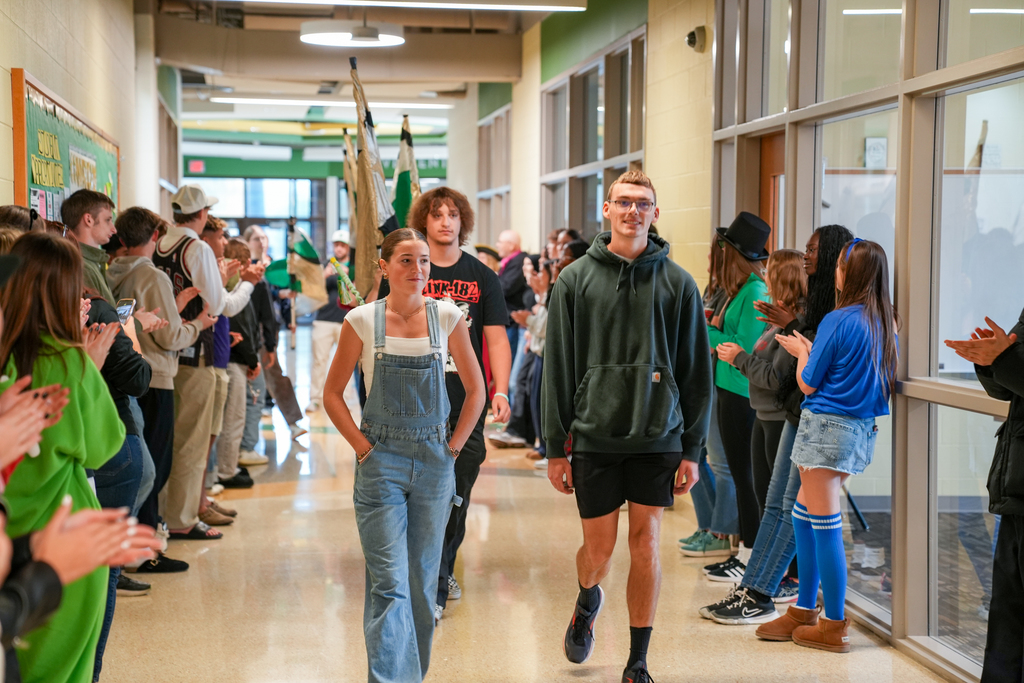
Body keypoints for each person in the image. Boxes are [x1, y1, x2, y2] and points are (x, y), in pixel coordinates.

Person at [542, 170, 712, 683]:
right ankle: (587, 596)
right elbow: (559, 367)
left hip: (658, 434)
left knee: (646, 542)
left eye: (643, 204)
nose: (633, 211)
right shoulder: (574, 280)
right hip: (595, 436)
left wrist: (693, 450)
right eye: (624, 202)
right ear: (607, 210)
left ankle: (638, 660)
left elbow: (694, 372)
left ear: (655, 214)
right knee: (598, 552)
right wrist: (555, 446)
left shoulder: (679, 283)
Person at [323, 228, 485, 683]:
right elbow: (332, 394)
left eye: (424, 261)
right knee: (388, 583)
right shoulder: (362, 321)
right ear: (385, 267)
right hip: (381, 465)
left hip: (435, 463)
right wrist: (363, 448)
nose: (418, 270)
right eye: (406, 261)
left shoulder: (448, 317)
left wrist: (451, 449)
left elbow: (476, 391)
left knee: (419, 583)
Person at [0, 232, 159, 683]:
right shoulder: (68, 361)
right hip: (62, 538)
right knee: (67, 669)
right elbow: (105, 445)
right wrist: (90, 362)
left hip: (10, 540)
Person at [701, 224, 855, 625]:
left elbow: (809, 375)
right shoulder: (818, 309)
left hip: (819, 423)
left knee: (795, 511)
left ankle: (773, 593)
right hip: (797, 417)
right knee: (776, 503)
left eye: (815, 250)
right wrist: (792, 326)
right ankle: (756, 589)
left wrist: (797, 335)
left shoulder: (843, 315)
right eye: (806, 249)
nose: (807, 255)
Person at [375, 187, 512, 617]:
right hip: (410, 397)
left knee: (456, 491)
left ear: (462, 222)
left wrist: (501, 389)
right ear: (424, 221)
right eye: (437, 215)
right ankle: (418, 572)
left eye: (453, 214)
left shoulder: (482, 276)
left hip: (464, 398)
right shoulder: (405, 270)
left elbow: (496, 336)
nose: (445, 222)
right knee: (414, 487)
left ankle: (440, 568)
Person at [772, 238, 898, 652]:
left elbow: (809, 382)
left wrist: (801, 351)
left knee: (825, 527)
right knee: (801, 517)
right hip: (857, 432)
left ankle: (833, 623)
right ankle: (804, 608)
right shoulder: (886, 322)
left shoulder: (838, 319)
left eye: (839, 266)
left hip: (825, 430)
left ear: (849, 273)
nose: (833, 272)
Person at [107, 206, 217, 573]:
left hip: (132, 375)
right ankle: (145, 548)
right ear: (155, 237)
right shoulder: (153, 275)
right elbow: (170, 336)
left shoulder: (113, 271)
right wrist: (199, 323)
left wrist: (178, 304)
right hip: (156, 375)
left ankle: (138, 545)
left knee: (143, 462)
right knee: (155, 465)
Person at [154, 184, 258, 541]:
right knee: (192, 443)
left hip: (167, 348)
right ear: (200, 216)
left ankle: (169, 512)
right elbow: (221, 306)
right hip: (196, 351)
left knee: (174, 439)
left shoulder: (160, 244)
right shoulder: (195, 248)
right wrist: (245, 285)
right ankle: (181, 518)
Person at [946, 309, 1021, 682]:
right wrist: (989, 362)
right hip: (1015, 484)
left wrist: (1004, 358)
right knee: (1007, 610)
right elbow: (1006, 388)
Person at [706, 212, 772, 574]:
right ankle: (745, 552)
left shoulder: (756, 290)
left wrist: (708, 334)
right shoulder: (742, 290)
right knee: (740, 472)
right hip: (728, 388)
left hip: (741, 392)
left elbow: (744, 346)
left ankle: (749, 555)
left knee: (745, 477)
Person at [679, 241, 739, 558]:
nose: (707, 260)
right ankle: (708, 526)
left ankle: (721, 531)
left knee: (720, 463)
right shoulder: (713, 288)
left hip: (727, 384)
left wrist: (707, 328)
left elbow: (723, 338)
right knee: (696, 454)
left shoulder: (742, 292)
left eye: (712, 255)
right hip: (709, 378)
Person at [241, 225, 306, 442]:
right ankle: (247, 434)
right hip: (247, 329)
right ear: (247, 242)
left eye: (264, 238)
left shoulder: (272, 266)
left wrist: (288, 318)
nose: (261, 242)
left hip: (269, 330)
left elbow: (274, 299)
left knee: (274, 373)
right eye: (256, 239)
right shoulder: (244, 267)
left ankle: (293, 422)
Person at [215, 238, 262, 491]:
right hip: (232, 359)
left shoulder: (233, 285)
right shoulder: (235, 286)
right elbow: (240, 324)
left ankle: (226, 466)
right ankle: (226, 470)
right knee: (233, 418)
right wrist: (252, 357)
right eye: (246, 262)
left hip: (230, 356)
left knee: (231, 418)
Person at [307, 230, 355, 414]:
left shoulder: (354, 267)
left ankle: (346, 399)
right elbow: (311, 288)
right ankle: (315, 399)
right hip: (323, 319)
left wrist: (347, 274)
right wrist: (324, 274)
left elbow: (359, 291)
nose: (339, 248)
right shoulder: (326, 266)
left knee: (347, 362)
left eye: (342, 245)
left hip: (347, 320)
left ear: (348, 247)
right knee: (319, 360)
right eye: (336, 244)